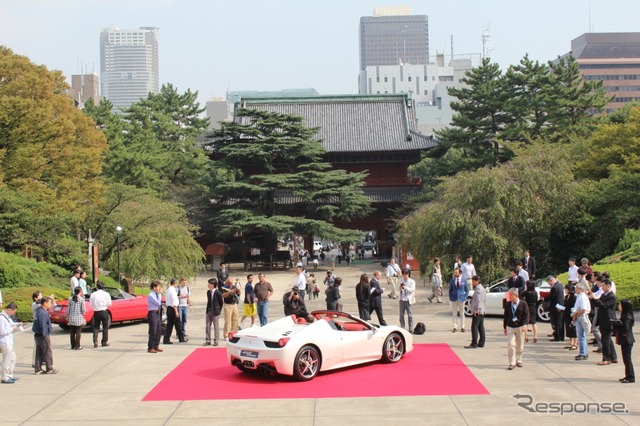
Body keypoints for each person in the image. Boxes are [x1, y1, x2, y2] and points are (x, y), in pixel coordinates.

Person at [592, 279, 618, 365]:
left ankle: (606, 359)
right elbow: (598, 304)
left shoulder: (611, 296)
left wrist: (596, 299)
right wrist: (593, 298)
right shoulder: (603, 295)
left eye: (603, 286)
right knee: (608, 340)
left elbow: (604, 306)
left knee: (605, 340)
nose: (602, 288)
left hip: (608, 320)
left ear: (608, 286)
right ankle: (613, 357)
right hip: (603, 320)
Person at [504, 288, 529, 370]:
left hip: (520, 326)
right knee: (511, 344)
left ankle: (519, 360)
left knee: (520, 345)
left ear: (516, 295)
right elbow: (506, 316)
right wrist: (505, 327)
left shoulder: (523, 303)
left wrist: (525, 325)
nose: (509, 296)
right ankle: (512, 362)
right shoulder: (508, 304)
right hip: (510, 326)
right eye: (509, 295)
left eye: (511, 295)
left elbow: (527, 315)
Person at [33, 296, 57, 374]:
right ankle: (49, 368)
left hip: (38, 335)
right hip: (42, 335)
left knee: (39, 352)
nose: (50, 304)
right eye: (49, 303)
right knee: (47, 352)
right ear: (45, 303)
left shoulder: (39, 311)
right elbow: (43, 325)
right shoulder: (42, 313)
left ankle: (38, 369)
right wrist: (45, 335)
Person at [0, 302, 23, 383]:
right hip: (5, 341)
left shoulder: (7, 317)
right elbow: (2, 331)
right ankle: (4, 377)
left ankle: (9, 374)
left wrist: (18, 324)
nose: (13, 313)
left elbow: (11, 324)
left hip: (9, 341)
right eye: (13, 311)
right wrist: (12, 329)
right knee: (6, 360)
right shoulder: (2, 318)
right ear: (9, 309)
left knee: (13, 359)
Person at [164, 278, 188, 344]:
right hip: (173, 308)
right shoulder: (173, 290)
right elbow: (174, 301)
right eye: (177, 283)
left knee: (169, 325)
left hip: (169, 308)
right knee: (178, 324)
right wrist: (176, 311)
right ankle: (181, 338)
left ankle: (166, 339)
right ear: (175, 283)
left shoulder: (168, 290)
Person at [617, 299, 635, 383]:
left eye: (620, 304)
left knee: (627, 360)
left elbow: (625, 328)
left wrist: (617, 327)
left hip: (627, 340)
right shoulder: (626, 315)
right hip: (626, 340)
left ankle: (630, 377)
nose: (619, 306)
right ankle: (628, 375)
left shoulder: (626, 316)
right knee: (626, 359)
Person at [572, 282, 591, 361]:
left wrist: (576, 315)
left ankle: (583, 353)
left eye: (576, 288)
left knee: (581, 336)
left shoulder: (582, 297)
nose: (575, 289)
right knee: (581, 336)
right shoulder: (580, 296)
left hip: (581, 317)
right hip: (579, 315)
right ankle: (584, 352)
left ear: (580, 289)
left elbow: (583, 309)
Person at [89, 281, 112, 348]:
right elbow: (109, 303)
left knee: (96, 327)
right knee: (105, 326)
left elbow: (91, 304)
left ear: (97, 287)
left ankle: (95, 341)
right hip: (104, 310)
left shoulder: (93, 294)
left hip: (96, 311)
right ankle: (104, 341)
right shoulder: (106, 294)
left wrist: (95, 307)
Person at [466, 276, 486, 348]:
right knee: (481, 327)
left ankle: (474, 343)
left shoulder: (478, 289)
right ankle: (481, 342)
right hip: (482, 310)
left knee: (474, 327)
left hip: (478, 311)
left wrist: (477, 310)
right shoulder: (482, 288)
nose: (473, 283)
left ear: (477, 281)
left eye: (473, 281)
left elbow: (479, 300)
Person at [449, 268, 470, 332]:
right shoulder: (452, 281)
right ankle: (455, 327)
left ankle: (462, 327)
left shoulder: (464, 281)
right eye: (454, 272)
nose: (455, 274)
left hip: (461, 299)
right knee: (454, 313)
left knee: (462, 313)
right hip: (454, 299)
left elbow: (467, 290)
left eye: (456, 272)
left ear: (460, 273)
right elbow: (450, 290)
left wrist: (465, 297)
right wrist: (451, 297)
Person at [545, 275, 565, 342]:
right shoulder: (560, 285)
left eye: (549, 282)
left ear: (551, 280)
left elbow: (552, 296)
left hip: (556, 306)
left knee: (556, 322)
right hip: (560, 305)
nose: (549, 284)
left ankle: (557, 336)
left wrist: (544, 297)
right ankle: (561, 336)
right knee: (560, 322)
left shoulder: (554, 287)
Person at [204, 278, 224, 346]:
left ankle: (216, 340)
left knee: (216, 326)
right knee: (207, 326)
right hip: (209, 311)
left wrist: (218, 310)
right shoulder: (208, 292)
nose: (208, 285)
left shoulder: (218, 293)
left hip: (215, 312)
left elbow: (221, 302)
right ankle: (208, 340)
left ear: (213, 285)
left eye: (209, 284)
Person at [146, 280, 164, 353]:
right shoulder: (151, 295)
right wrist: (159, 294)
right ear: (154, 287)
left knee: (159, 330)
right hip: (152, 313)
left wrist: (159, 294)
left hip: (157, 313)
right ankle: (150, 347)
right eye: (158, 286)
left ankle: (156, 345)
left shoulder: (156, 294)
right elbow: (158, 303)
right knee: (153, 331)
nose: (159, 288)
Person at [563, 283, 578, 351]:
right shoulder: (566, 297)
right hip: (566, 314)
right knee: (568, 329)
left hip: (571, 314)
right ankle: (571, 342)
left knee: (573, 329)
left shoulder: (574, 297)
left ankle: (575, 344)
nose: (565, 290)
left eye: (566, 289)